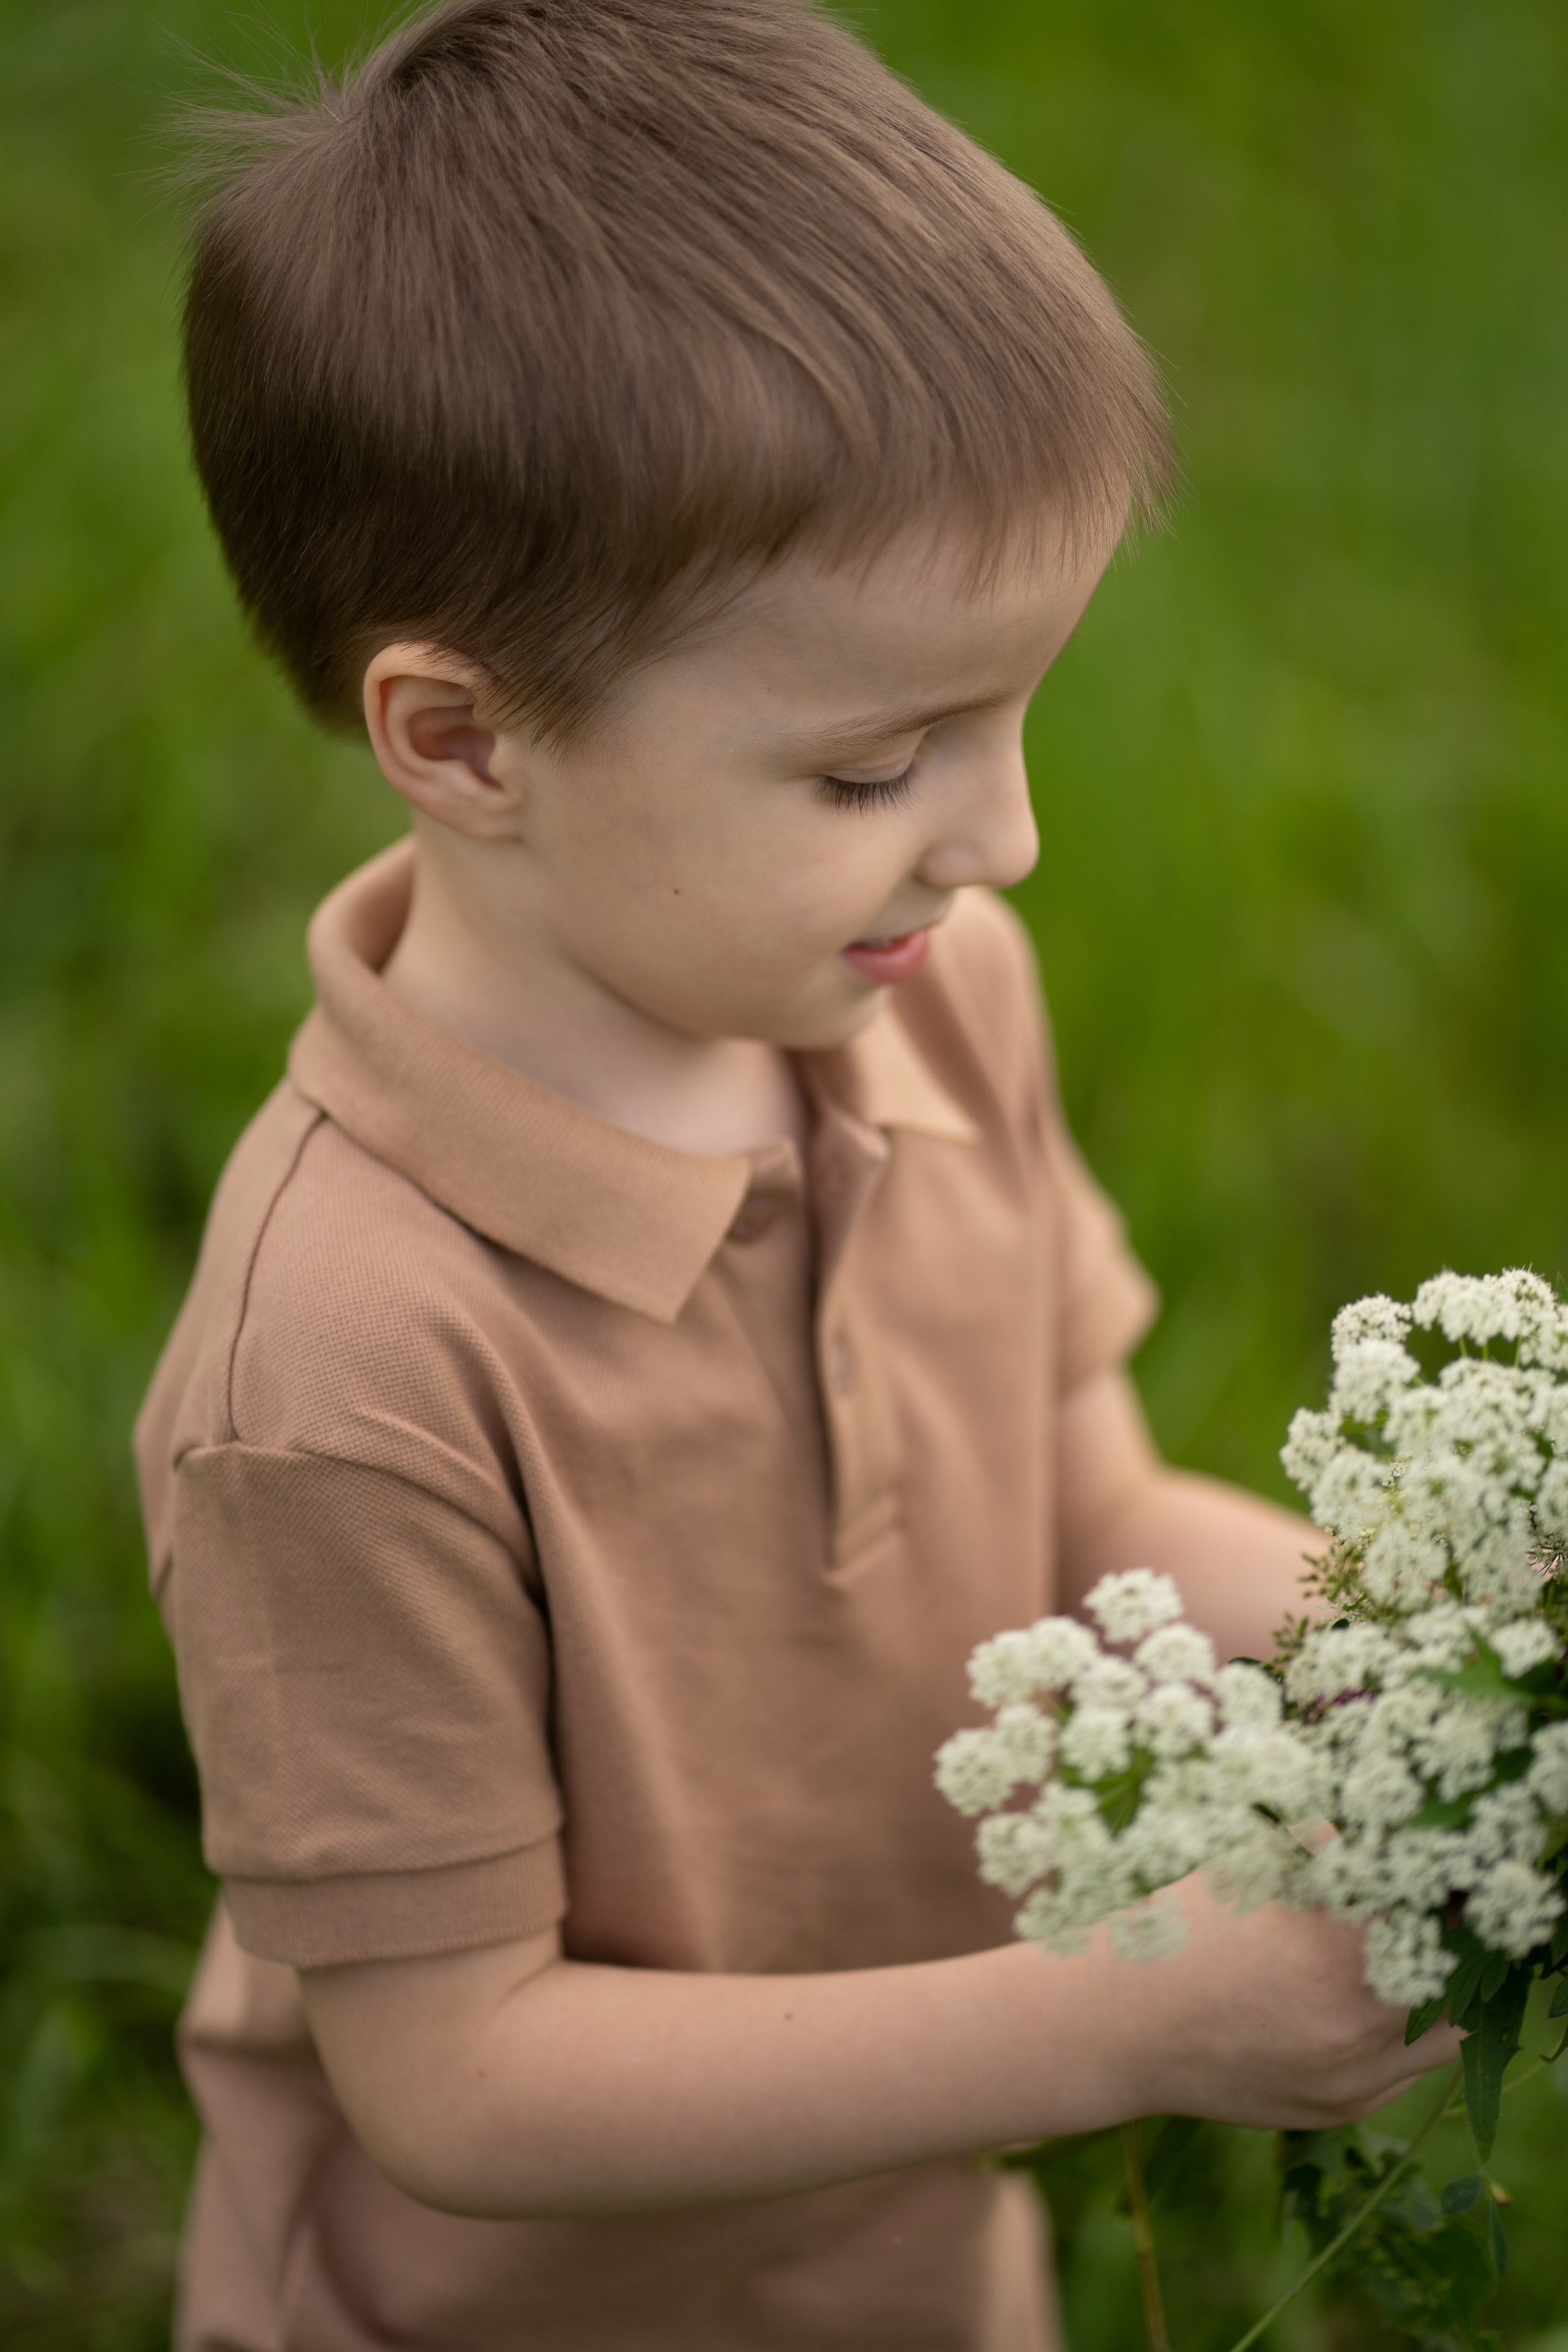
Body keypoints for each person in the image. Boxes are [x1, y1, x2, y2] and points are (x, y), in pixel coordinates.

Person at [135, 2, 1463, 2344]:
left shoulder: (939, 996)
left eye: (1021, 709)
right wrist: (1132, 2018)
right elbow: (461, 2077)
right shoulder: (338, 1364)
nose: (1010, 834)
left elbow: (1084, 1516)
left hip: (912, 2248)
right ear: (461, 740)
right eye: (877, 766)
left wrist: (1459, 1653)